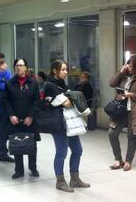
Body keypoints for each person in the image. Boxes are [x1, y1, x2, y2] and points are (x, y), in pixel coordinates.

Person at [44, 60, 90, 193]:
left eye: (66, 69)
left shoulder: (63, 85)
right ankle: (60, 181)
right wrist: (66, 100)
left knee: (77, 150)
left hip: (70, 123)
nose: (65, 72)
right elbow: (66, 103)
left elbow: (69, 102)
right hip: (58, 124)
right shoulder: (50, 85)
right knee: (62, 153)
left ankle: (75, 179)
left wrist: (66, 99)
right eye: (63, 69)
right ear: (55, 71)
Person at [108, 55, 136, 171]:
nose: (129, 68)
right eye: (128, 65)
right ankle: (118, 159)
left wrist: (131, 95)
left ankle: (128, 161)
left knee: (131, 136)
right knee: (112, 133)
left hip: (133, 111)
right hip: (120, 109)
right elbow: (111, 83)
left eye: (132, 66)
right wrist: (121, 72)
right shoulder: (124, 75)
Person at [2, 58, 40, 179]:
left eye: (21, 65)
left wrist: (31, 116)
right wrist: (11, 115)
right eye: (17, 65)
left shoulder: (33, 82)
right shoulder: (9, 83)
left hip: (30, 120)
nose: (19, 67)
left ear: (26, 67)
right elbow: (5, 101)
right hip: (15, 119)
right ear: (14, 67)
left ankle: (33, 168)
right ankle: (19, 170)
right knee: (17, 143)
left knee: (31, 144)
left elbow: (37, 101)